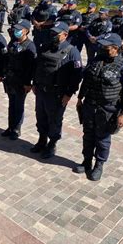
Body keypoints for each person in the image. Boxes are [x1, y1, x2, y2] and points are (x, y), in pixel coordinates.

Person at [75, 33, 123, 181]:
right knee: (88, 135)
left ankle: (99, 164)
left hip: (108, 109)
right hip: (90, 105)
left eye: (106, 46)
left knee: (102, 138)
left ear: (115, 48)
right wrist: (80, 98)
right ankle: (86, 161)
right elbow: (87, 80)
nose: (102, 48)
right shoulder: (97, 60)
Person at [31, 21, 83, 159]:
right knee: (40, 117)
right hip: (41, 90)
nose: (52, 35)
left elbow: (76, 76)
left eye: (56, 33)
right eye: (52, 32)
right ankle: (42, 140)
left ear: (65, 35)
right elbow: (38, 66)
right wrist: (35, 83)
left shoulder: (72, 51)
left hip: (57, 94)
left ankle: (52, 144)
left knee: (54, 120)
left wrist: (68, 94)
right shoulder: (45, 47)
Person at [0, 20, 37, 140]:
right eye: (15, 29)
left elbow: (31, 68)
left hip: (21, 82)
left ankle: (16, 129)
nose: (16, 31)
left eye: (19, 29)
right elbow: (7, 60)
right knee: (11, 104)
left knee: (19, 105)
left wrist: (28, 83)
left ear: (26, 31)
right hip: (10, 80)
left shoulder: (30, 46)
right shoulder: (13, 43)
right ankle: (10, 127)